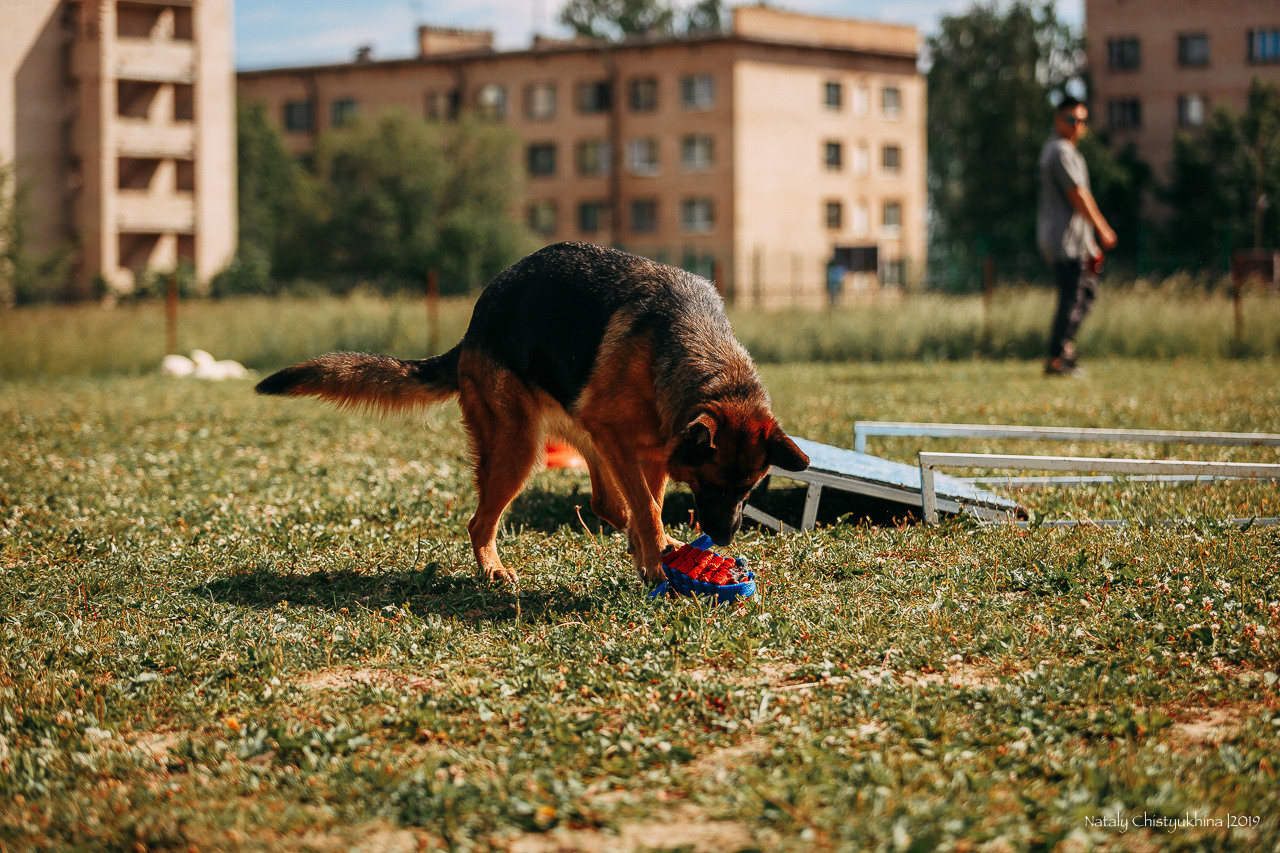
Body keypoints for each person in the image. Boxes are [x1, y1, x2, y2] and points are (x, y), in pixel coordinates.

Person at [1037, 95, 1117, 377]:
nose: (1077, 125)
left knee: (1085, 294)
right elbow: (1078, 196)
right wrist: (1103, 229)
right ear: (1058, 120)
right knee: (1072, 298)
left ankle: (1063, 350)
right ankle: (1057, 358)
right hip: (1064, 241)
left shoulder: (1069, 152)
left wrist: (1091, 243)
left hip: (1074, 239)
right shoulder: (1060, 151)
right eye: (1071, 119)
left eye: (1082, 120)